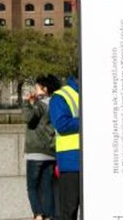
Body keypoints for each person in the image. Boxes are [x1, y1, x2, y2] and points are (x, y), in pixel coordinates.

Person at [22, 78, 60, 220]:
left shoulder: (40, 105)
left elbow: (28, 118)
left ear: (44, 89)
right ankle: (50, 215)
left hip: (35, 152)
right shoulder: (55, 104)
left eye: (37, 87)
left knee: (31, 187)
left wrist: (27, 103)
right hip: (50, 152)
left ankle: (38, 214)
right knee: (47, 186)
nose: (34, 90)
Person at [47, 77, 83, 220]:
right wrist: (88, 119)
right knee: (69, 210)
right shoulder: (60, 97)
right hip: (71, 162)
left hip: (90, 161)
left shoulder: (92, 92)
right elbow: (61, 124)